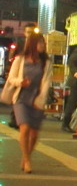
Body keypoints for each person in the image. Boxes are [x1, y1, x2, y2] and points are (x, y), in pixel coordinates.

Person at [8, 31, 53, 173]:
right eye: (40, 42)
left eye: (44, 43)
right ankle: (27, 160)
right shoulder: (20, 60)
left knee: (34, 133)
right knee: (25, 127)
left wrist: (40, 99)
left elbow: (46, 82)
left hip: (37, 98)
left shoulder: (46, 62)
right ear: (33, 44)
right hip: (21, 98)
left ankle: (26, 155)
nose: (43, 45)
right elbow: (11, 78)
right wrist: (21, 82)